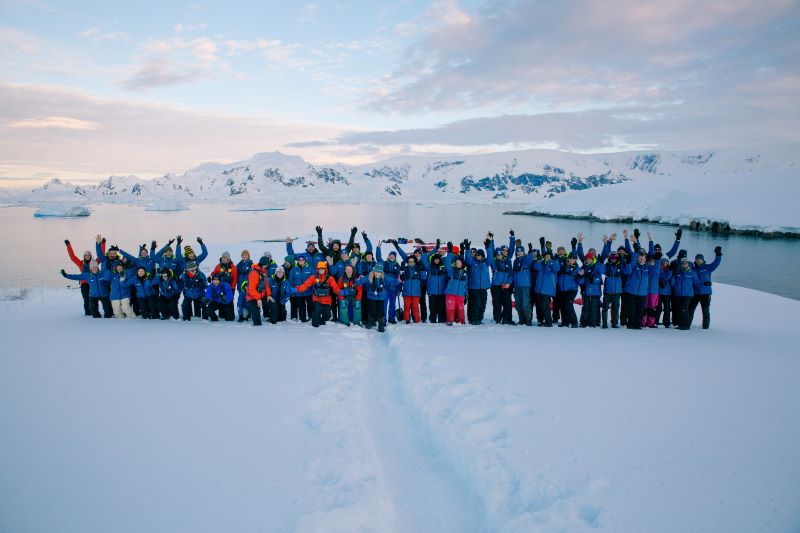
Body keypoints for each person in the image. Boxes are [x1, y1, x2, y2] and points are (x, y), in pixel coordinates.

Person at [292, 261, 340, 327]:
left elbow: (335, 288)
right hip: (316, 298)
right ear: (317, 269)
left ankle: (322, 321)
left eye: (322, 269)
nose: (321, 270)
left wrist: (341, 292)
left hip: (327, 299)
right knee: (316, 311)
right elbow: (305, 285)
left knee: (327, 316)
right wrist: (296, 289)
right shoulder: (313, 277)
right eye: (319, 269)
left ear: (325, 269)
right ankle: (315, 325)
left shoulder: (330, 278)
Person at [64, 238, 103, 316]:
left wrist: (102, 243)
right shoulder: (80, 263)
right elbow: (72, 257)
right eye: (86, 255)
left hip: (93, 283)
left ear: (91, 256)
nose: (87, 256)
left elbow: (101, 255)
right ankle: (87, 314)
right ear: (84, 256)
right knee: (86, 299)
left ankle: (95, 312)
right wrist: (68, 245)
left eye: (89, 255)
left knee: (94, 299)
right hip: (84, 284)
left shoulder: (95, 262)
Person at [689, 246, 722, 329]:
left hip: (705, 293)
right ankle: (687, 324)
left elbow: (716, 263)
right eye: (697, 259)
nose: (698, 260)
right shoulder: (692, 269)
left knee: (705, 311)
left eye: (700, 259)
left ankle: (705, 327)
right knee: (691, 309)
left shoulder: (708, 267)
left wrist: (718, 255)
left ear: (703, 260)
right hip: (695, 293)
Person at [487, 231, 516, 325]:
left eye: (505, 251)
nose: (503, 253)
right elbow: (491, 251)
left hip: (506, 286)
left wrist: (512, 237)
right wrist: (491, 240)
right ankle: (497, 319)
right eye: (500, 252)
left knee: (507, 303)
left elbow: (511, 274)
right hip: (496, 286)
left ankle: (507, 319)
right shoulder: (494, 263)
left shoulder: (507, 260)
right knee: (497, 303)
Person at [621, 247, 651, 330]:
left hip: (642, 293)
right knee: (631, 309)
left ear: (645, 259)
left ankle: (638, 324)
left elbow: (655, 267)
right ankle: (630, 324)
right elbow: (628, 270)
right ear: (637, 258)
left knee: (640, 310)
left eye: (643, 257)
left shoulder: (647, 267)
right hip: (631, 291)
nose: (642, 259)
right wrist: (635, 251)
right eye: (640, 257)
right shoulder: (634, 265)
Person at [463, 238, 490, 325]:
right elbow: (467, 259)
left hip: (483, 288)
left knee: (483, 304)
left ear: (482, 256)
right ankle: (474, 319)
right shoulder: (472, 263)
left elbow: (490, 256)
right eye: (477, 255)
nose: (478, 256)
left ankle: (479, 319)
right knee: (476, 304)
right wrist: (467, 249)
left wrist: (488, 247)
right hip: (474, 288)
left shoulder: (486, 263)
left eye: (479, 255)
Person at [671, 257, 701, 330]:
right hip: (678, 294)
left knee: (684, 309)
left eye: (686, 263)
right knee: (679, 310)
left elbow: (697, 283)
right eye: (683, 263)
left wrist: (702, 288)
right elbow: (673, 283)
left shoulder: (692, 273)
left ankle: (686, 325)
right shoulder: (678, 272)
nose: (684, 264)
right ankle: (681, 324)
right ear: (681, 264)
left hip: (687, 295)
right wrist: (674, 283)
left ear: (688, 264)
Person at [532, 245, 559, 327]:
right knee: (540, 306)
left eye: (548, 256)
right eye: (546, 256)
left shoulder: (553, 264)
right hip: (539, 289)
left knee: (545, 306)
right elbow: (536, 267)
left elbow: (556, 269)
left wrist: (553, 261)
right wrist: (539, 260)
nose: (547, 257)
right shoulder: (542, 264)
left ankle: (548, 322)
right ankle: (542, 320)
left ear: (550, 257)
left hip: (547, 289)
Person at [357, 262, 388, 332]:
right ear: (374, 271)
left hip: (381, 297)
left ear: (381, 272)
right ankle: (370, 322)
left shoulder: (384, 277)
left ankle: (381, 325)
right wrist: (356, 281)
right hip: (372, 297)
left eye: (379, 272)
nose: (377, 273)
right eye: (376, 272)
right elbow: (362, 280)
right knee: (372, 310)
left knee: (380, 311)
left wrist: (398, 281)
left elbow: (391, 280)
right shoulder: (370, 276)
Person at [443, 243, 468, 325]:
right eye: (456, 262)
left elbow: (466, 285)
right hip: (451, 293)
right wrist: (449, 252)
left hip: (460, 294)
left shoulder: (465, 273)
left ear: (462, 263)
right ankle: (450, 321)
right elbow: (447, 263)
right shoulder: (452, 271)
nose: (457, 263)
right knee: (451, 308)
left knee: (461, 309)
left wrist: (466, 295)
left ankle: (461, 322)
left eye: (459, 262)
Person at [379, 240, 403, 323]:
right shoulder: (384, 263)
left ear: (395, 257)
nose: (391, 257)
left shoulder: (398, 266)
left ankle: (391, 318)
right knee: (384, 304)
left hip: (393, 288)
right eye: (390, 255)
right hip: (385, 288)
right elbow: (378, 258)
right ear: (388, 256)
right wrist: (378, 248)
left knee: (392, 304)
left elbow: (400, 278)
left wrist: (399, 288)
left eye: (393, 256)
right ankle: (384, 319)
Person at [425, 241, 449, 324]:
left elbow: (449, 260)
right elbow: (426, 258)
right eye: (435, 259)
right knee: (433, 308)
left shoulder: (444, 267)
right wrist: (436, 247)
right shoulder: (429, 267)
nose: (436, 261)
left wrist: (448, 252)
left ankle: (442, 321)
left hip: (442, 292)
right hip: (432, 292)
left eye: (438, 259)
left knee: (442, 308)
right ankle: (433, 321)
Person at [578, 252, 604, 327]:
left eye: (590, 259)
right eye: (587, 259)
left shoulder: (596, 266)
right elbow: (580, 282)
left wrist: (593, 279)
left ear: (592, 260)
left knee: (594, 307)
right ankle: (584, 322)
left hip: (595, 291)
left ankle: (593, 322)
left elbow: (600, 276)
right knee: (585, 307)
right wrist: (580, 277)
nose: (588, 260)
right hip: (586, 291)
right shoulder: (583, 267)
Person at [246, 257, 273, 326]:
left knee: (273, 304)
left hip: (261, 295)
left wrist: (269, 295)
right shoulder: (254, 273)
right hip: (252, 297)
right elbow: (251, 289)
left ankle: (272, 319)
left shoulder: (263, 271)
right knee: (257, 320)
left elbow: (266, 285)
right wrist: (258, 299)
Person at [557, 252, 580, 328]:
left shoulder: (577, 268)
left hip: (572, 289)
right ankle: (565, 322)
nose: (572, 259)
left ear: (575, 260)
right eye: (570, 258)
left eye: (573, 258)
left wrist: (581, 276)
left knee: (568, 304)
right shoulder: (563, 266)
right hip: (562, 289)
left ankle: (574, 322)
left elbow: (580, 281)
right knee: (563, 305)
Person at [288, 255, 314, 322]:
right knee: (301, 306)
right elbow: (291, 281)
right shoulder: (294, 269)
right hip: (298, 292)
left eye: (302, 259)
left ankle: (311, 317)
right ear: (298, 261)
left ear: (305, 260)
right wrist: (292, 291)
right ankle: (303, 318)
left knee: (310, 305)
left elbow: (314, 279)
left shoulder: (310, 268)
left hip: (309, 291)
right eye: (299, 259)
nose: (301, 261)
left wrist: (314, 289)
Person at [602, 251, 624, 328]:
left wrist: (623, 260)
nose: (613, 259)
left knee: (615, 308)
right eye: (612, 258)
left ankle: (614, 323)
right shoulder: (606, 265)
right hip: (608, 291)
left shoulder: (620, 265)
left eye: (615, 258)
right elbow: (601, 271)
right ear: (609, 258)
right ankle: (604, 323)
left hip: (617, 291)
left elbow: (627, 271)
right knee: (605, 308)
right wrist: (601, 262)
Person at [235, 250, 253, 322]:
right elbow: (235, 274)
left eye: (246, 255)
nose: (244, 256)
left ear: (248, 256)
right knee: (241, 300)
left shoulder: (251, 264)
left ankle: (250, 313)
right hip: (240, 286)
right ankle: (241, 315)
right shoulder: (238, 265)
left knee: (249, 299)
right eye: (243, 255)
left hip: (249, 286)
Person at [656, 257, 674, 327]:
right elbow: (664, 279)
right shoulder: (660, 270)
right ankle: (656, 321)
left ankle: (666, 322)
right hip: (659, 292)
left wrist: (672, 277)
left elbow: (671, 282)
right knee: (659, 307)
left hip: (667, 292)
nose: (665, 264)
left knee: (667, 308)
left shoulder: (670, 271)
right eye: (664, 263)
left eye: (666, 263)